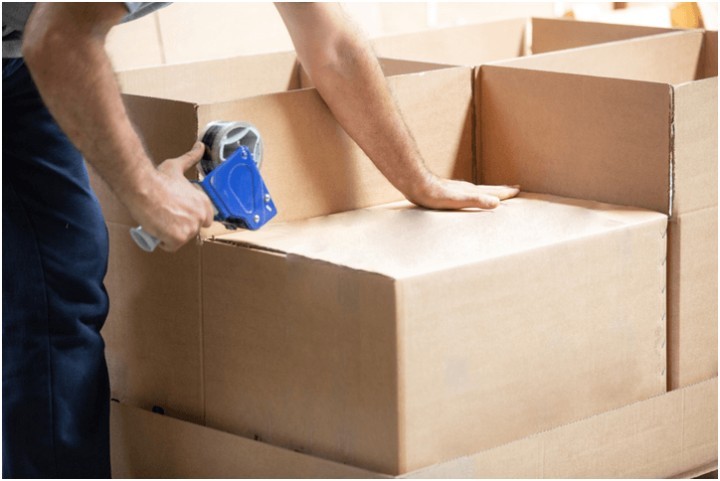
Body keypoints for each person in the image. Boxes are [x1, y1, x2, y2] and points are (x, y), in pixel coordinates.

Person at [2, 2, 519, 478]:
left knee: (56, 294)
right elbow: (59, 40)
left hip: (20, 49)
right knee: (49, 289)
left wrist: (418, 180)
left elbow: (331, 44)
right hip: (38, 44)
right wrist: (146, 193)